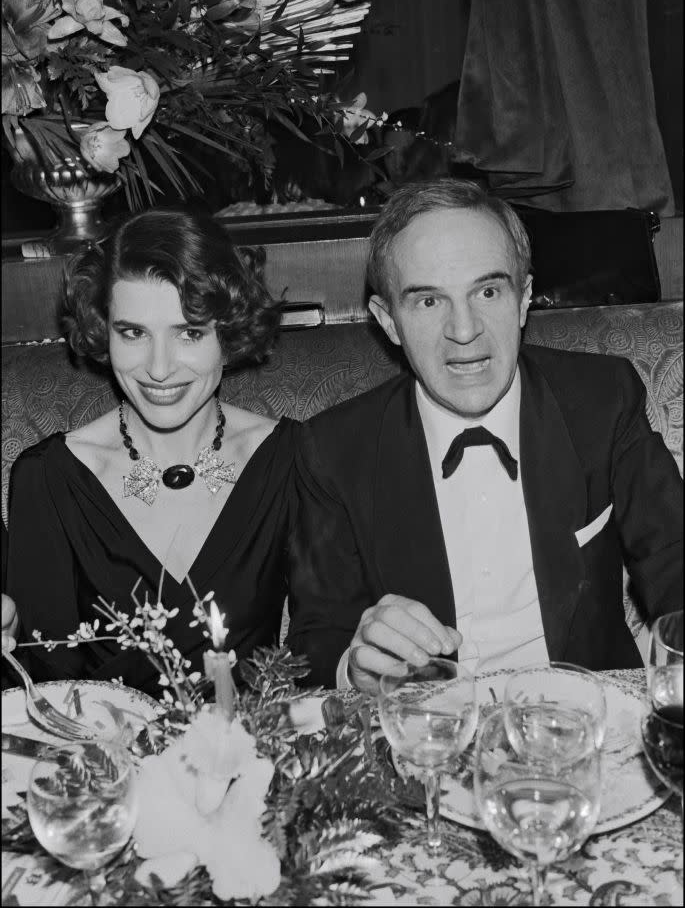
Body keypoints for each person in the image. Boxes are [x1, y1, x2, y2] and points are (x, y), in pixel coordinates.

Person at [287, 179, 683, 692]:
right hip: (428, 737)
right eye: (429, 302)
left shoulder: (602, 399)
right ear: (389, 321)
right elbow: (316, 639)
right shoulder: (332, 450)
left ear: (523, 300)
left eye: (488, 291)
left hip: (583, 725)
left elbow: (673, 553)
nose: (465, 329)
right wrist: (354, 664)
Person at [2, 208, 297, 693]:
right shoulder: (49, 479)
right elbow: (47, 691)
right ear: (104, 330)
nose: (159, 369)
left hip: (255, 758)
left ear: (229, 332)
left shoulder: (292, 459)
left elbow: (322, 654)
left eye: (189, 332)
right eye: (134, 333)